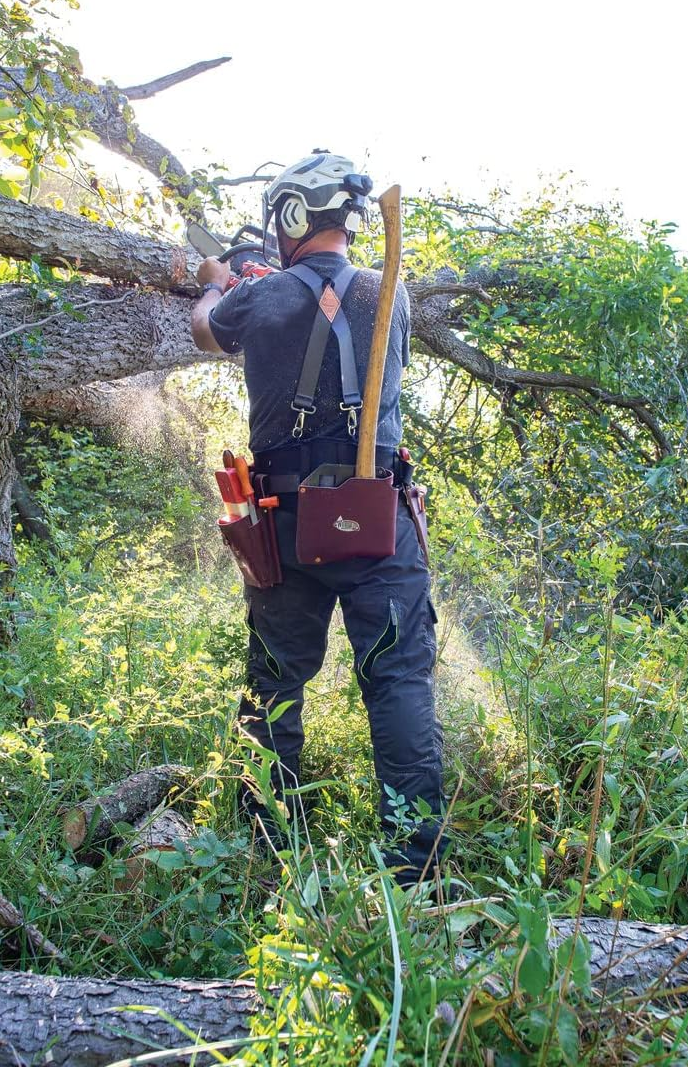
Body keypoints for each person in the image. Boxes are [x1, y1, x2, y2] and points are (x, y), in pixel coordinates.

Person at [191, 151, 444, 887]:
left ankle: (269, 854)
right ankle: (414, 870)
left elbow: (208, 327)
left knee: (273, 683)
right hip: (378, 519)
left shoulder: (258, 298)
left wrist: (219, 283)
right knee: (398, 683)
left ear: (294, 216)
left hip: (285, 524)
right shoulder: (388, 292)